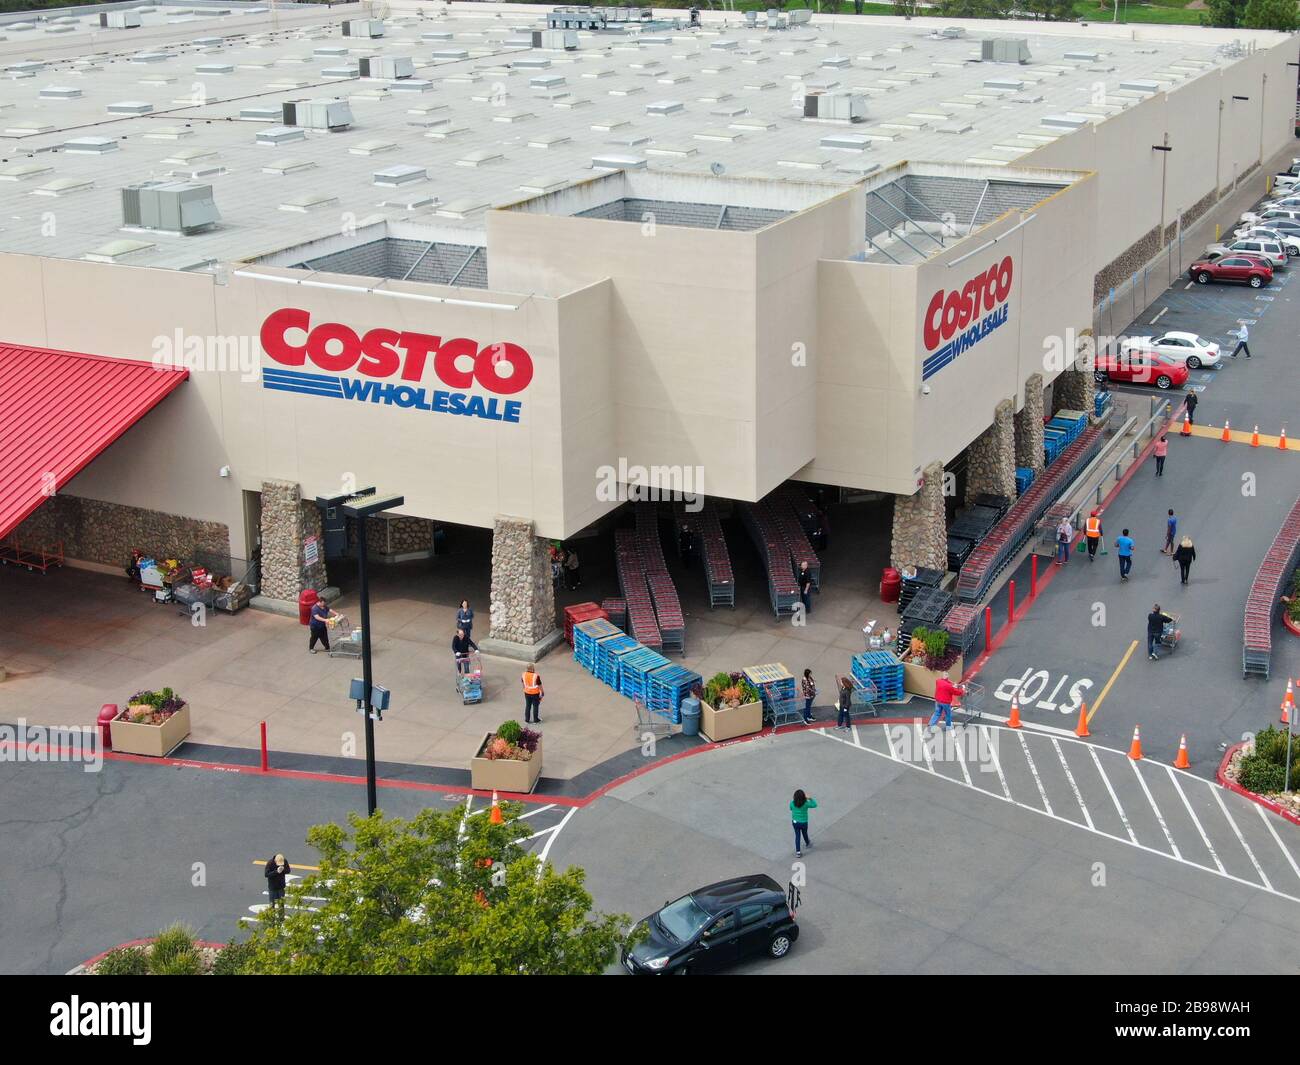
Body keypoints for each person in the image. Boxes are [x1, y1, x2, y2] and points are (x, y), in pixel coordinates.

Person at [790, 789, 817, 858]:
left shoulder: (792, 803)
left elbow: (790, 808)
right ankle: (808, 843)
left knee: (797, 836)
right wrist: (810, 798)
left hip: (795, 822)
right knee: (805, 833)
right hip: (804, 822)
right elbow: (815, 804)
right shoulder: (806, 803)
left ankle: (798, 852)